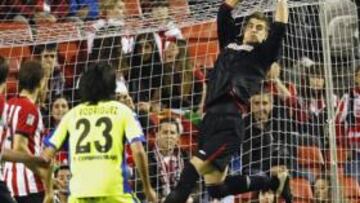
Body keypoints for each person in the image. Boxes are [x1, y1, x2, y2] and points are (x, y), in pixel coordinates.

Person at [164, 0, 290, 202]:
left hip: (229, 121)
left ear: (266, 35)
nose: (254, 30)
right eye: (250, 26)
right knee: (216, 188)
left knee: (187, 177)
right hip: (209, 119)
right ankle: (275, 182)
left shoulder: (264, 55)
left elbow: (280, 24)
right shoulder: (230, 43)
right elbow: (224, 10)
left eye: (260, 28)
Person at [41, 62, 157, 203]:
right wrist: (147, 188)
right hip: (114, 193)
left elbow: (45, 157)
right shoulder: (123, 111)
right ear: (111, 87)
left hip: (79, 195)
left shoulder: (71, 115)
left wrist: (48, 190)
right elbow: (138, 151)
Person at [2, 60, 51, 203]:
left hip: (9, 182)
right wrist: (43, 173)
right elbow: (19, 147)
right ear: (41, 83)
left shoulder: (9, 104)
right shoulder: (29, 109)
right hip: (31, 186)